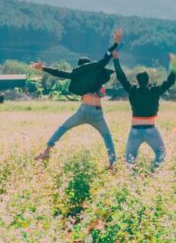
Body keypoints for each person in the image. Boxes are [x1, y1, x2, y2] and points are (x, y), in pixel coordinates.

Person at [31, 30, 122, 166]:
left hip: (83, 110)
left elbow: (59, 73)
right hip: (97, 112)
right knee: (107, 137)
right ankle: (112, 164)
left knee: (62, 128)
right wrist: (116, 43)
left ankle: (46, 152)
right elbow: (106, 56)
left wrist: (43, 68)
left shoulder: (77, 74)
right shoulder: (96, 74)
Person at [113, 50, 176, 170]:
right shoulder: (154, 90)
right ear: (148, 80)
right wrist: (173, 64)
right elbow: (170, 81)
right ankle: (154, 172)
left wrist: (116, 59)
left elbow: (121, 77)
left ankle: (131, 181)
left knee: (129, 160)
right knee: (161, 153)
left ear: (137, 81)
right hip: (150, 129)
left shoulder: (132, 90)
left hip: (135, 130)